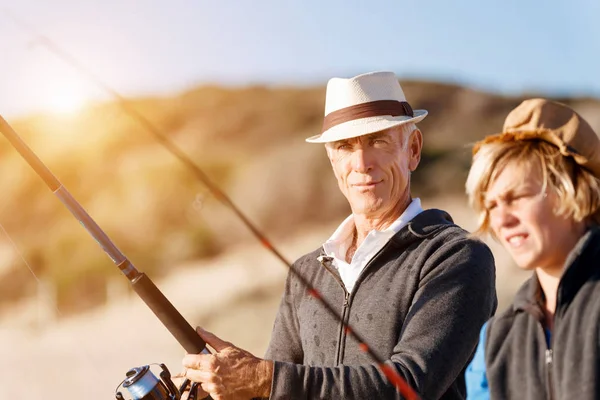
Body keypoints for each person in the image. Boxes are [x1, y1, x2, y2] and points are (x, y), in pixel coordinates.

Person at [180, 71, 497, 399]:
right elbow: (278, 390)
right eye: (345, 146)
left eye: (378, 140)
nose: (362, 162)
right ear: (332, 161)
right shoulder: (306, 272)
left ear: (413, 150)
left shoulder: (456, 255)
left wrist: (263, 378)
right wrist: (230, 387)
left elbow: (409, 384)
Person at [464, 98, 600, 399]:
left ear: (572, 190)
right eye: (492, 205)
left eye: (518, 197)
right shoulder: (498, 337)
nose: (501, 219)